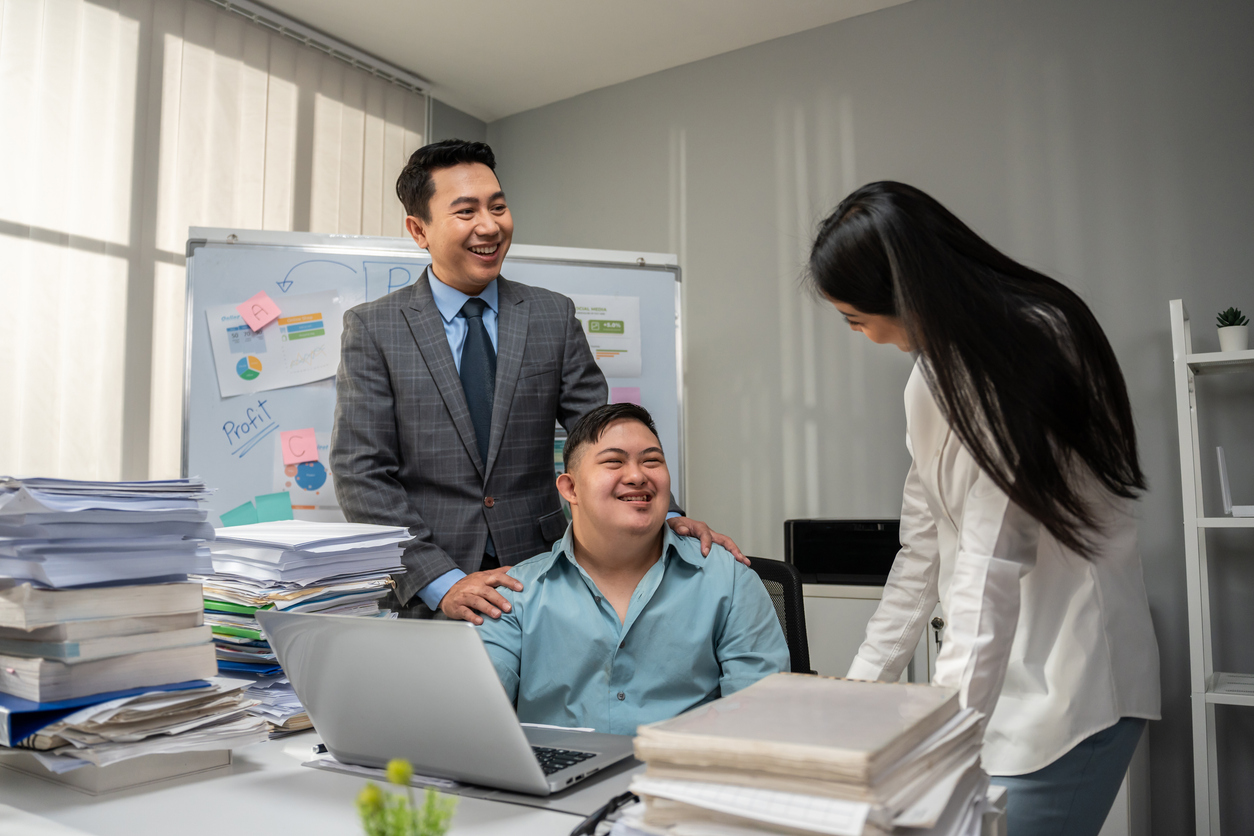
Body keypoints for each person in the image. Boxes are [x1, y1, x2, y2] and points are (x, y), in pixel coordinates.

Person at [808, 182, 1160, 836]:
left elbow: (987, 564)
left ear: (904, 290)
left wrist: (943, 747)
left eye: (855, 318)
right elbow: (922, 553)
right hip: (997, 681)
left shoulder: (1034, 344)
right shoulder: (929, 378)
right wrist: (855, 693)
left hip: (1069, 689)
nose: (857, 334)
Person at [331, 139, 741, 623]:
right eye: (466, 212)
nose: (490, 226)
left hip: (544, 571)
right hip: (431, 590)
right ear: (418, 230)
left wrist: (667, 515)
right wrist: (441, 582)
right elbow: (361, 471)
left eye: (498, 206)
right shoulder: (375, 328)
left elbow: (600, 432)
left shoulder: (551, 315)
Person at [476, 403, 789, 733]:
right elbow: (472, 718)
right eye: (614, 462)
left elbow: (759, 721)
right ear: (570, 488)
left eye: (652, 461)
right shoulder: (515, 595)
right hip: (558, 780)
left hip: (684, 777)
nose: (638, 476)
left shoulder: (728, 579)